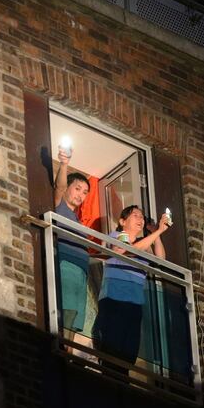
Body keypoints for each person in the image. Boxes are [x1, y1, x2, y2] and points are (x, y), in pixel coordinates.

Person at [92, 205, 170, 373]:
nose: (140, 219)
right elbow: (126, 251)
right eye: (135, 215)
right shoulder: (118, 235)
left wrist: (155, 232)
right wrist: (158, 232)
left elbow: (161, 260)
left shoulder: (145, 245)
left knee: (128, 353)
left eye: (142, 216)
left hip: (134, 303)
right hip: (114, 299)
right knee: (112, 349)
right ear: (122, 221)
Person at [53, 147, 91, 339]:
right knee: (66, 315)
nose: (80, 195)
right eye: (77, 188)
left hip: (81, 274)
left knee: (74, 321)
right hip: (67, 267)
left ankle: (68, 356)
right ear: (68, 187)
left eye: (84, 192)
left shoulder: (77, 219)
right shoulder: (60, 206)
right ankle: (62, 356)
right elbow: (58, 187)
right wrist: (64, 164)